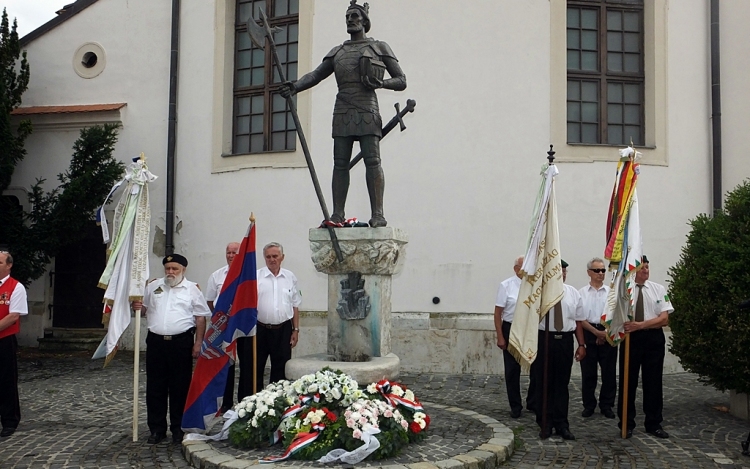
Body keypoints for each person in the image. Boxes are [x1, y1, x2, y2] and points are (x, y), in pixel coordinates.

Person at [279, 0, 406, 228]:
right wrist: (296, 86)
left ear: (365, 21)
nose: (350, 20)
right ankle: (338, 214)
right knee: (340, 164)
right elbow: (316, 75)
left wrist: (382, 83)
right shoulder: (338, 51)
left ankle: (378, 214)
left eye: (355, 16)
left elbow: (401, 80)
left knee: (373, 161)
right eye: (348, 16)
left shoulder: (379, 47)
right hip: (343, 109)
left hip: (367, 108)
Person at [132, 254, 210, 444]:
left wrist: (198, 342)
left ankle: (178, 428)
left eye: (174, 268)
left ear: (183, 269)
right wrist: (136, 306)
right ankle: (157, 429)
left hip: (181, 343)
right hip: (156, 342)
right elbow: (143, 311)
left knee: (180, 387)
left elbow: (200, 317)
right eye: (168, 268)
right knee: (155, 387)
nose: (170, 272)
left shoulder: (192, 289)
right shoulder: (153, 286)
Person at [618, 255, 673, 439]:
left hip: (653, 339)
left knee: (653, 382)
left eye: (648, 267)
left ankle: (654, 423)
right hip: (631, 339)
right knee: (628, 381)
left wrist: (640, 325)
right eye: (642, 267)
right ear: (634, 270)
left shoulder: (658, 289)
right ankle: (626, 422)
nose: (645, 271)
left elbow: (664, 319)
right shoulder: (626, 290)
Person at [531, 260, 586, 440]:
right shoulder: (540, 293)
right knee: (544, 382)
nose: (561, 273)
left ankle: (562, 423)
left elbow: (578, 321)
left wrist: (581, 344)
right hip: (544, 339)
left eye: (564, 271)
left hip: (565, 340)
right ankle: (545, 423)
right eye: (558, 270)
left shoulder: (573, 293)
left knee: (562, 384)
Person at [238, 242, 301, 394]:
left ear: (282, 257)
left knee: (281, 369)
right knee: (253, 368)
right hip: (259, 329)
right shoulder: (256, 277)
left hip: (283, 329)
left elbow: (295, 305)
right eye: (268, 257)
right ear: (264, 258)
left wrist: (296, 330)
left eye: (275, 256)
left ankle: (276, 404)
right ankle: (251, 404)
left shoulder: (290, 277)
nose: (272, 259)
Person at [579, 257, 617, 419]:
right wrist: (596, 333)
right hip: (589, 332)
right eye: (597, 270)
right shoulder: (581, 293)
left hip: (608, 332)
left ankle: (606, 405)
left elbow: (615, 315)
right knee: (588, 373)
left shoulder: (611, 292)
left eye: (603, 270)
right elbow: (580, 318)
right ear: (589, 272)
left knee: (609, 372)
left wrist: (604, 333)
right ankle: (589, 405)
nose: (601, 273)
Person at [205, 242, 241, 412]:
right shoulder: (217, 275)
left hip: (243, 327)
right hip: (223, 327)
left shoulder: (248, 275)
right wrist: (221, 318)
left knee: (247, 365)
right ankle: (225, 403)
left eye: (234, 252)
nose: (231, 255)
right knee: (226, 364)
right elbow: (210, 301)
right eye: (228, 252)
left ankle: (245, 400)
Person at [0, 251, 28, 438]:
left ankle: (10, 420)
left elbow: (13, 316)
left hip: (4, 340)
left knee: (6, 380)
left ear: (9, 265)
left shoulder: (16, 287)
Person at [494, 256, 525, 419]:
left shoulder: (534, 285)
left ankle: (534, 402)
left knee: (535, 367)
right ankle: (515, 405)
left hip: (529, 328)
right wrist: (500, 336)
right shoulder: (506, 285)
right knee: (513, 369)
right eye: (523, 266)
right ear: (516, 268)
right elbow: (498, 313)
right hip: (511, 327)